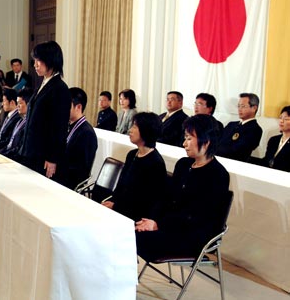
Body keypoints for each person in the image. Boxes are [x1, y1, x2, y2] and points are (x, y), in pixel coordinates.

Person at [135, 114, 230, 262]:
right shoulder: (184, 164)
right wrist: (152, 219)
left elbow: (196, 215)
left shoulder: (218, 175)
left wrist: (158, 224)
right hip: (172, 226)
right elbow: (165, 197)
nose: (184, 144)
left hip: (191, 235)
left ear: (206, 141)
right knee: (132, 229)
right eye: (185, 138)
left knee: (135, 237)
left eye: (189, 138)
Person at [19, 41, 71, 181]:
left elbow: (59, 127)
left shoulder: (60, 89)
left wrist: (52, 158)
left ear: (51, 60)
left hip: (43, 155)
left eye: (39, 60)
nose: (35, 64)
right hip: (30, 150)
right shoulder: (42, 84)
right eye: (34, 60)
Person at [102, 112, 167, 222]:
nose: (130, 130)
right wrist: (113, 201)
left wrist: (116, 206)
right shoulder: (132, 154)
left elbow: (145, 201)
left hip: (136, 216)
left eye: (135, 127)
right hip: (121, 208)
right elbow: (121, 185)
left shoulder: (155, 163)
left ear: (146, 131)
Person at [60, 87, 98, 190]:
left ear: (78, 107)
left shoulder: (86, 133)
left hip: (69, 184)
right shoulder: (68, 125)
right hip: (61, 177)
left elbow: (81, 170)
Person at [217, 93, 263, 162]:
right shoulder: (231, 125)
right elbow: (218, 142)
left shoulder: (255, 129)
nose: (239, 109)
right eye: (238, 106)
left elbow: (238, 150)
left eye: (243, 106)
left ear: (254, 108)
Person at [0, 88, 33, 160]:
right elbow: (10, 143)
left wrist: (3, 155)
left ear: (29, 104)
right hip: (9, 154)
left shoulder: (30, 124)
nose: (17, 106)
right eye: (17, 103)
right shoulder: (20, 121)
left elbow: (19, 148)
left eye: (20, 103)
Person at [258, 106, 290, 172]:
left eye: (286, 119)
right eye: (280, 118)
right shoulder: (273, 140)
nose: (281, 121)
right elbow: (266, 160)